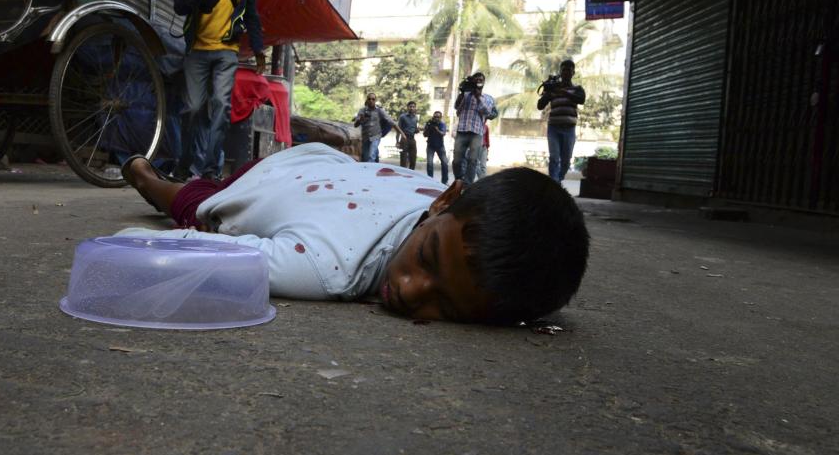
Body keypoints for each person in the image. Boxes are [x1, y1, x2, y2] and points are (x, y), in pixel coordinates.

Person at [118, 142, 590, 324]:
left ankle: (152, 169)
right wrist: (120, 245)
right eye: (426, 259)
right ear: (444, 199)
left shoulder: (443, 198)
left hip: (311, 161)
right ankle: (143, 174)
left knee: (208, 186)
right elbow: (204, 247)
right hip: (260, 184)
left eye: (443, 305)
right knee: (190, 203)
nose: (408, 289)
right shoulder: (328, 267)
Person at [172, 0, 265, 181]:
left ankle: (210, 170)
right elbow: (178, 6)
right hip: (197, 50)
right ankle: (185, 163)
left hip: (227, 51)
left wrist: (258, 49)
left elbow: (252, 15)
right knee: (193, 109)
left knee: (221, 108)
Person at [537, 59, 586, 184]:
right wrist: (548, 91)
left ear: (573, 73)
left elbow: (581, 99)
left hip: (569, 129)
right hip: (553, 128)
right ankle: (554, 183)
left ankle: (558, 179)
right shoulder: (553, 88)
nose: (565, 73)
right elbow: (540, 105)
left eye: (568, 70)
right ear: (560, 72)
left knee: (566, 160)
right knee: (554, 157)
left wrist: (563, 91)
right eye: (563, 70)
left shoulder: (577, 89)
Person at [453, 72, 497, 184]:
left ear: (483, 82)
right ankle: (459, 180)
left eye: (480, 79)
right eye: (476, 79)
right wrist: (462, 92)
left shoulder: (488, 98)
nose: (478, 81)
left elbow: (487, 112)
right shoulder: (466, 95)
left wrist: (477, 97)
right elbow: (457, 107)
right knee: (457, 160)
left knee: (473, 160)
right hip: (462, 130)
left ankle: (467, 185)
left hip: (477, 133)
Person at [353, 92, 405, 163]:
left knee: (371, 156)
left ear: (375, 100)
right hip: (365, 137)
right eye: (369, 99)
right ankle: (375, 163)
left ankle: (371, 172)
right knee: (365, 157)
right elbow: (355, 125)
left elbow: (391, 122)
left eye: (373, 99)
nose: (371, 100)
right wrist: (360, 120)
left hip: (376, 136)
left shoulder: (379, 111)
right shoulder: (362, 111)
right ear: (367, 100)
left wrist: (402, 133)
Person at [422, 110, 450, 184]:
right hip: (430, 146)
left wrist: (436, 129)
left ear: (440, 118)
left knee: (444, 163)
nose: (436, 118)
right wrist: (428, 127)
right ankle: (430, 180)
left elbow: (443, 133)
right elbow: (424, 135)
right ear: (433, 117)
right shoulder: (429, 123)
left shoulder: (442, 124)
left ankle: (444, 181)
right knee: (429, 163)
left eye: (438, 117)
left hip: (440, 146)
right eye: (435, 116)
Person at [397, 101, 420, 170]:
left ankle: (411, 175)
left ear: (415, 108)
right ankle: (402, 176)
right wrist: (397, 141)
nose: (412, 108)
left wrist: (417, 130)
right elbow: (398, 129)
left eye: (413, 107)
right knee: (403, 160)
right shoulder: (402, 117)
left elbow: (415, 129)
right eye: (410, 107)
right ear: (407, 107)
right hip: (404, 139)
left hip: (412, 139)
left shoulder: (416, 118)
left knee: (413, 159)